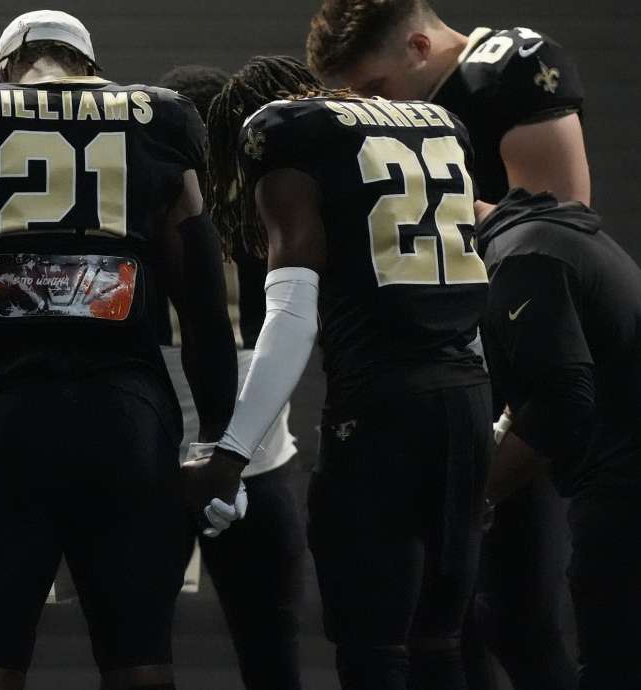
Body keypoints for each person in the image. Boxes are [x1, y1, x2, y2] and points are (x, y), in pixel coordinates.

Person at [0, 10, 240, 689]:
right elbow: (201, 305)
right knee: (140, 653)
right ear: (90, 66)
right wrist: (219, 437)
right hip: (128, 412)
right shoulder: (161, 117)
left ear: (2, 68)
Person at [306, 3, 589, 685]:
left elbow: (559, 238)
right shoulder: (410, 113)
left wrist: (428, 210)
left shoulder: (506, 72)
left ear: (420, 45)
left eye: (373, 89)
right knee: (438, 618)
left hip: (514, 367)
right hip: (439, 373)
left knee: (518, 612)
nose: (370, 109)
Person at [205, 55, 491, 689]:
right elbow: (467, 297)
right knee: (441, 639)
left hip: (381, 410)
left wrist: (231, 451)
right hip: (467, 402)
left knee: (374, 645)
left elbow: (291, 312)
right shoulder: (433, 121)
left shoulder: (285, 135)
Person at [158, 63, 305, 690]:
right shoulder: (269, 199)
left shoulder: (143, 188)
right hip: (251, 449)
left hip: (173, 443)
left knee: (136, 650)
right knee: (269, 651)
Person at [476, 189, 641, 689]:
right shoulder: (551, 233)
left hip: (623, 490)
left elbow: (562, 402)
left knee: (614, 669)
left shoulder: (522, 257)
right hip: (622, 474)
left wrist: (478, 494)